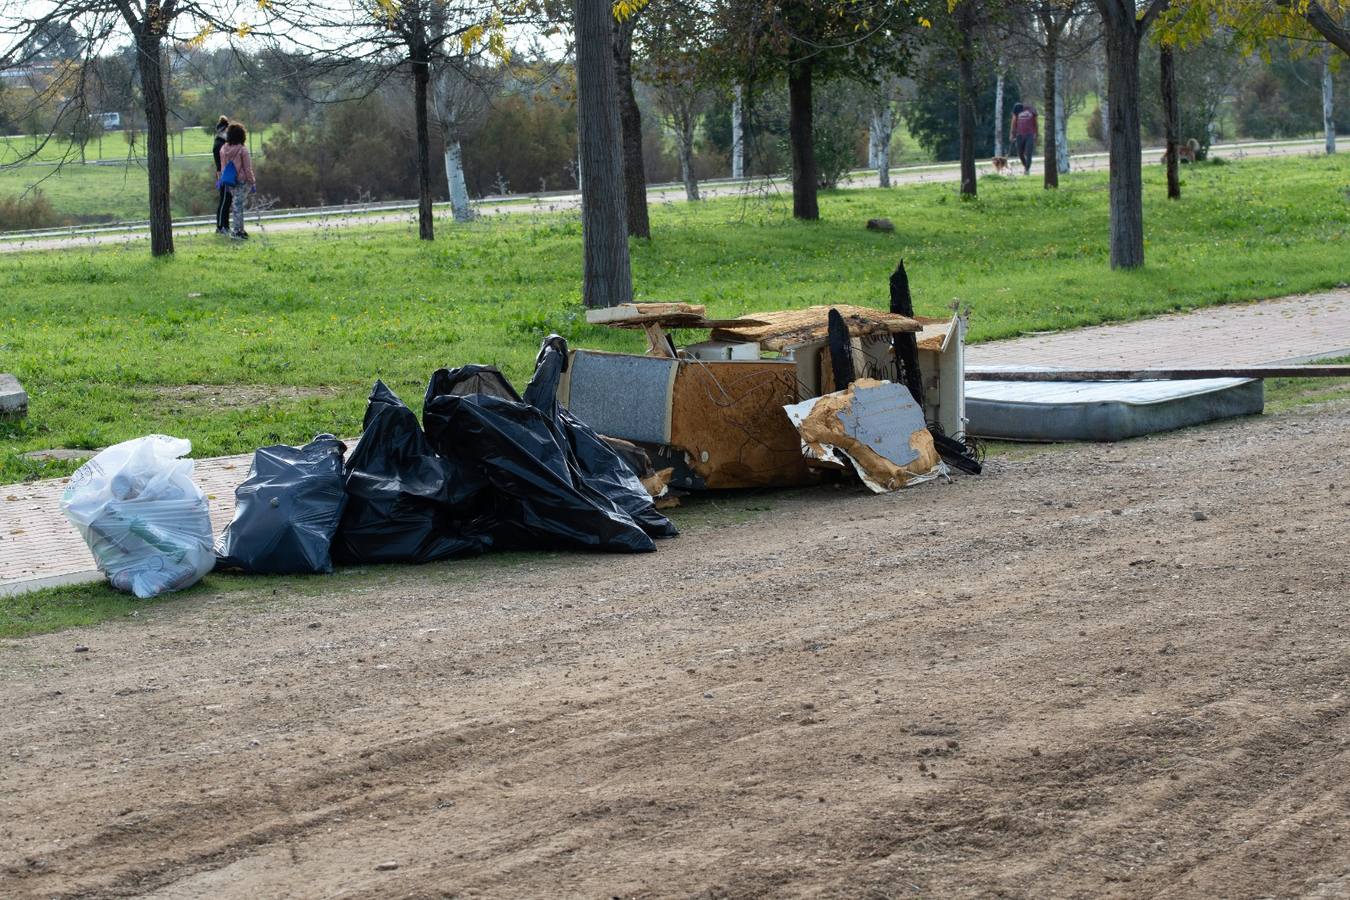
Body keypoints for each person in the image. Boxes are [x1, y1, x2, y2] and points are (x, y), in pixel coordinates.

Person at [218, 122, 256, 240]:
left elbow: (223, 166)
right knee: (238, 206)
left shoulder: (223, 149)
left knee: (236, 205)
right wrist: (252, 181)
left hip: (229, 180)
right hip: (241, 181)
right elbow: (247, 168)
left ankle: (239, 229)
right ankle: (237, 231)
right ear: (241, 135)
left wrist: (222, 179)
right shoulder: (242, 150)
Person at [211, 116, 231, 236]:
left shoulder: (223, 143)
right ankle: (220, 226)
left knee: (227, 200)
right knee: (224, 200)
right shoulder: (219, 144)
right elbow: (220, 162)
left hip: (225, 174)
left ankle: (225, 225)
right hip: (223, 174)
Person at [1011, 102, 1038, 176]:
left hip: (1030, 134)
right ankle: (1026, 165)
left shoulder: (1032, 110)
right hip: (1019, 134)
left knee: (1028, 153)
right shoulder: (1016, 108)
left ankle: (1027, 169)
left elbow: (1036, 123)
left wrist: (1036, 133)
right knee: (1020, 153)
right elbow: (1013, 122)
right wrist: (1012, 134)